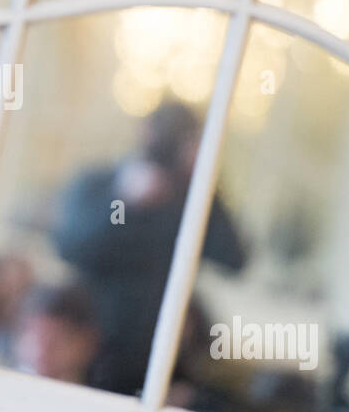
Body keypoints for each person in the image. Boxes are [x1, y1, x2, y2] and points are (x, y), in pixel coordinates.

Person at [52, 100, 247, 395]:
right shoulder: (100, 184)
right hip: (91, 347)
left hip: (159, 354)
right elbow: (71, 248)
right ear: (143, 132)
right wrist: (123, 203)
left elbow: (235, 260)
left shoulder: (191, 200)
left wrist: (206, 185)